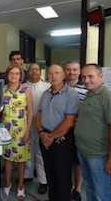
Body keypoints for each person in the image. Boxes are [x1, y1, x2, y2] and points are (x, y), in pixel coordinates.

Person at [74, 63, 111, 201]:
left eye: (91, 76)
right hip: (84, 151)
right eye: (84, 77)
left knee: (102, 195)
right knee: (90, 188)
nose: (86, 80)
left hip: (99, 156)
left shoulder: (108, 97)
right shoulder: (89, 94)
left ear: (101, 76)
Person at [36, 64, 79, 201]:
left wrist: (51, 137)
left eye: (56, 73)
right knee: (50, 173)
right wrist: (42, 134)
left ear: (63, 75)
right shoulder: (45, 94)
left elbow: (70, 121)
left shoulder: (71, 95)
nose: (53, 76)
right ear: (47, 76)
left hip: (62, 141)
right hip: (45, 138)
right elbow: (38, 115)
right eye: (50, 73)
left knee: (63, 176)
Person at [0, 64, 33, 200]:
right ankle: (7, 184)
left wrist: (28, 130)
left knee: (21, 160)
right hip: (6, 128)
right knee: (8, 158)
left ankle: (21, 186)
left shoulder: (26, 90)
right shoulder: (3, 90)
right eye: (11, 73)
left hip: (22, 128)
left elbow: (30, 112)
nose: (14, 76)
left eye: (17, 73)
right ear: (7, 74)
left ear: (21, 76)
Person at [23, 63, 50, 194]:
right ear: (28, 72)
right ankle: (27, 176)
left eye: (37, 69)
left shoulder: (47, 87)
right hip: (26, 124)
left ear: (40, 72)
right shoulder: (23, 87)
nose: (34, 71)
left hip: (42, 124)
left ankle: (43, 180)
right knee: (27, 150)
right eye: (31, 69)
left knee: (40, 153)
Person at [64, 60, 88, 201]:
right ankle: (66, 186)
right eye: (68, 69)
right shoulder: (58, 87)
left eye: (74, 69)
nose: (71, 72)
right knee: (64, 160)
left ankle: (77, 189)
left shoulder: (86, 89)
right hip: (61, 130)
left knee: (77, 161)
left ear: (79, 72)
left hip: (79, 131)